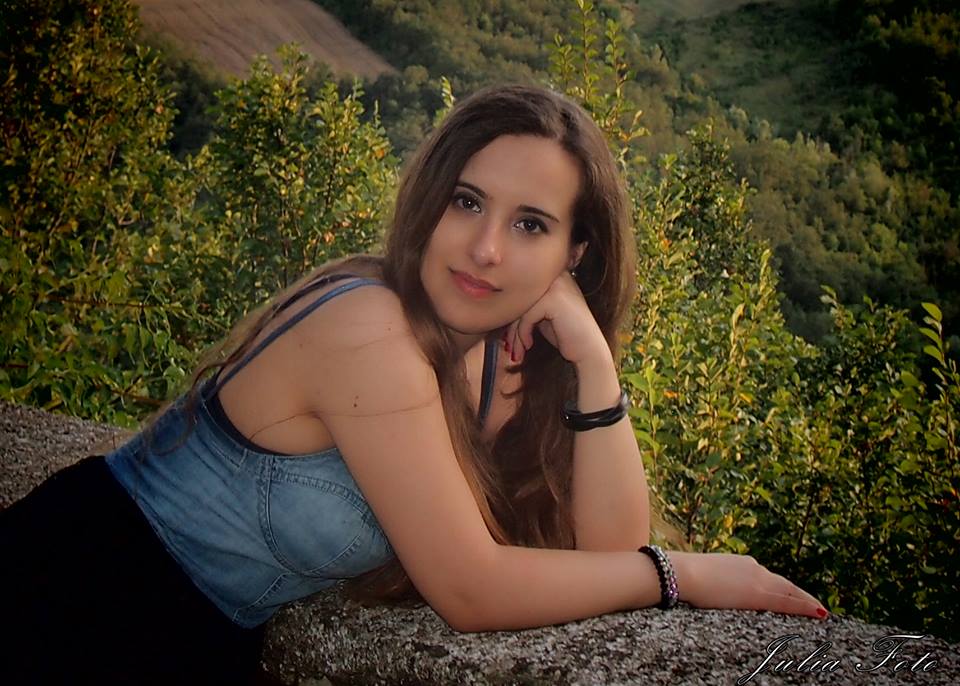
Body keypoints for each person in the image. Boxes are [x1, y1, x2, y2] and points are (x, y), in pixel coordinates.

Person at [0, 83, 827, 684]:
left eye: (530, 224)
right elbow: (470, 587)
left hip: (185, 636)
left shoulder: (503, 357)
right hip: (71, 595)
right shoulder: (371, 327)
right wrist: (690, 573)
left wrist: (595, 365)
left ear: (573, 255)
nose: (485, 249)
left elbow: (608, 557)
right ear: (431, 200)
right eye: (467, 202)